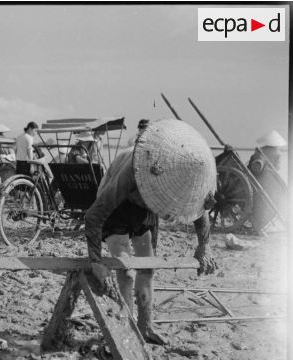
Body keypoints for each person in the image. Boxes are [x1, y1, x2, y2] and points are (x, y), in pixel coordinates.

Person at [85, 119, 217, 346]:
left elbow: (200, 211)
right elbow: (94, 215)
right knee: (125, 269)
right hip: (118, 208)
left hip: (146, 209)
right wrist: (96, 261)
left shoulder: (194, 174)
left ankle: (145, 326)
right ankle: (126, 327)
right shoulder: (133, 171)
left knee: (148, 268)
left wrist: (203, 247)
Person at [248, 130, 287, 234]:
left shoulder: (261, 152)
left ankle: (258, 223)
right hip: (269, 180)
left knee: (262, 202)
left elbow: (256, 167)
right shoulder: (277, 152)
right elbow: (277, 167)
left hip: (261, 180)